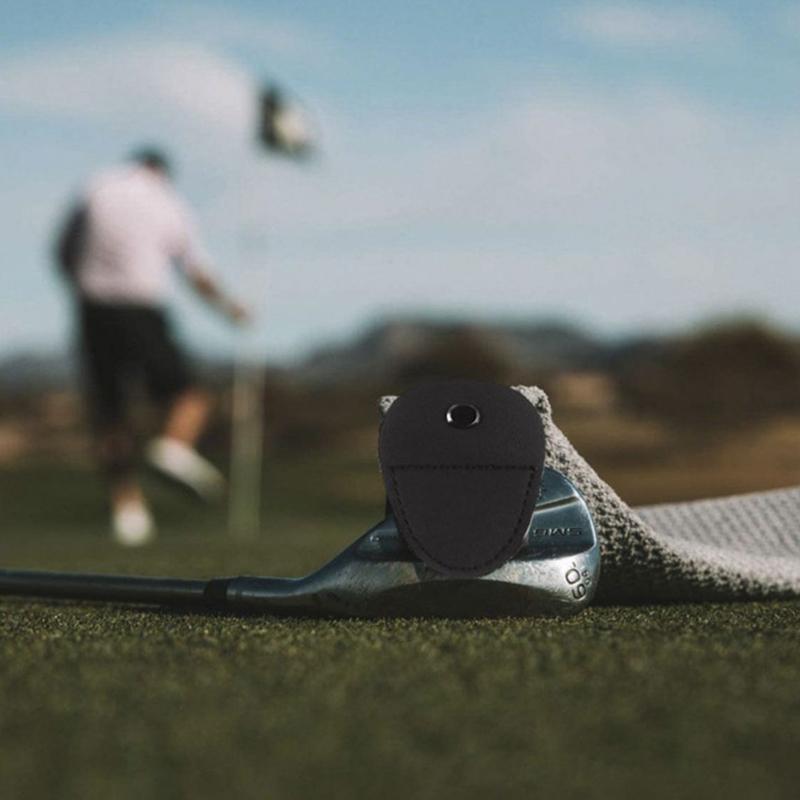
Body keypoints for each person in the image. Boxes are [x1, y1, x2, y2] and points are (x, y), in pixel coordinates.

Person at [55, 147, 249, 546]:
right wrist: (229, 308)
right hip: (141, 309)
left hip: (93, 310)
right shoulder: (168, 202)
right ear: (162, 171)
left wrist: (85, 288)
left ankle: (128, 512)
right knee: (189, 394)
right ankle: (174, 448)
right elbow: (195, 270)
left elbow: (63, 251)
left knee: (110, 412)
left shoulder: (96, 187)